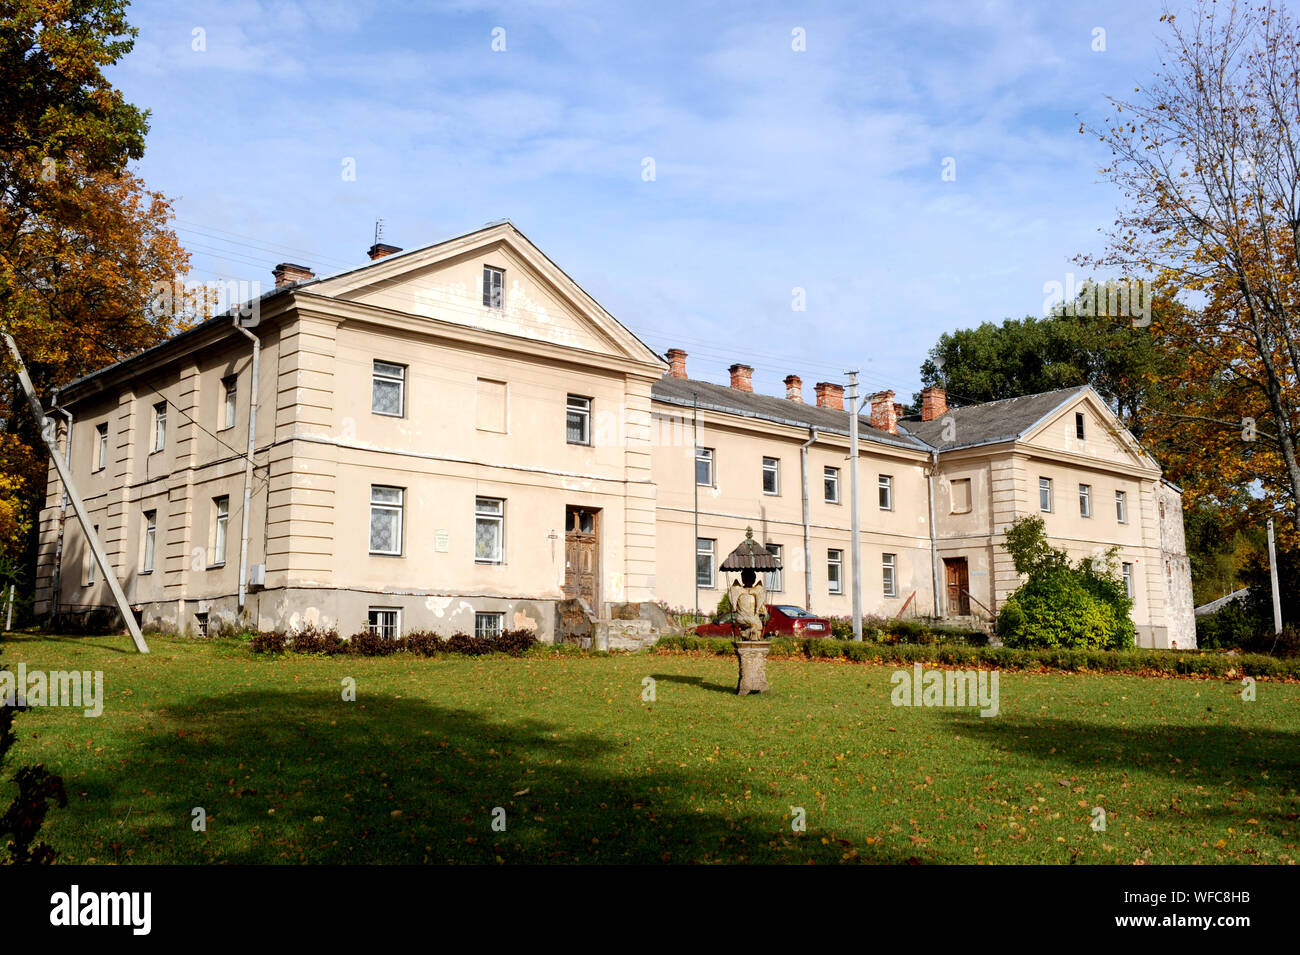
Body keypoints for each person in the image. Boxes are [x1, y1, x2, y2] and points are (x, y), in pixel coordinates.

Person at [727, 568, 768, 641]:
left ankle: (747, 635)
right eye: (746, 577)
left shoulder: (757, 591)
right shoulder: (738, 590)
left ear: (754, 579)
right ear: (742, 578)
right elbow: (733, 605)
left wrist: (764, 611)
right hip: (742, 617)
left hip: (753, 617)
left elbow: (761, 608)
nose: (748, 579)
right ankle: (747, 635)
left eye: (751, 577)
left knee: (757, 627)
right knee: (757, 626)